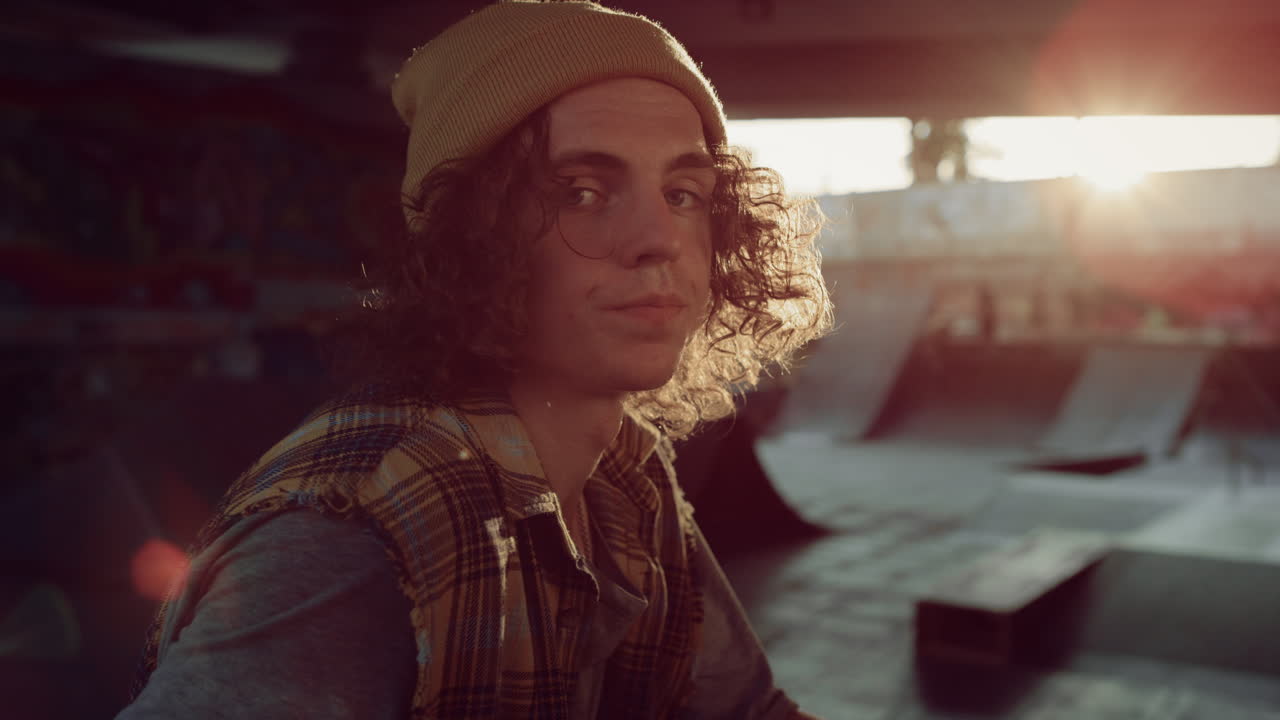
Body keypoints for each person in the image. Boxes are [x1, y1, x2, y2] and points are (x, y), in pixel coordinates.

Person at [120, 1, 831, 717]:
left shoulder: (628, 480)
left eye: (684, 194)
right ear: (471, 239)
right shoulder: (354, 541)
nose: (660, 238)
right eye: (581, 191)